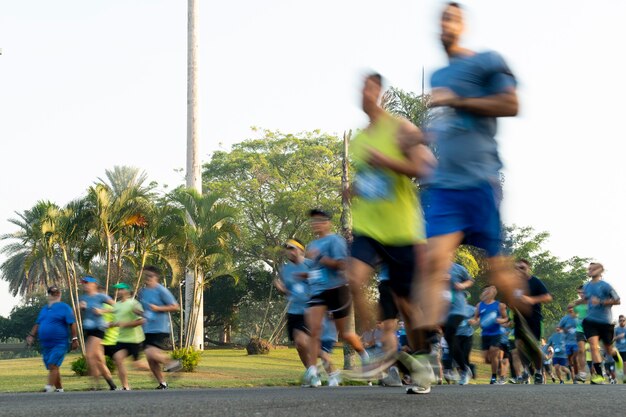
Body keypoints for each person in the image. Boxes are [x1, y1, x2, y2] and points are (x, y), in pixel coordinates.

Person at [418, 1, 528, 350]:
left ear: (463, 25)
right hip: (447, 187)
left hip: (481, 180)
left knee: (499, 275)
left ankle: (524, 320)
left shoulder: (487, 61)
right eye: (441, 18)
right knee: (431, 261)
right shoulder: (438, 76)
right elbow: (445, 128)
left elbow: (511, 105)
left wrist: (459, 101)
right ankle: (428, 349)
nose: (444, 24)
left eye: (452, 17)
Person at [345, 72, 435, 395]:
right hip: (370, 228)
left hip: (402, 231)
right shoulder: (358, 140)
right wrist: (355, 189)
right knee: (353, 278)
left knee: (407, 305)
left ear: (380, 92)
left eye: (369, 88)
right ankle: (380, 354)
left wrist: (387, 161)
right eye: (361, 88)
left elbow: (426, 168)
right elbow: (371, 181)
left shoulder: (400, 128)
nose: (364, 94)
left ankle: (422, 363)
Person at [302, 209, 367, 388]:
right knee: (313, 331)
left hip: (337, 289)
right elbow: (314, 270)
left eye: (319, 220)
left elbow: (341, 265)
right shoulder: (311, 244)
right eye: (313, 221)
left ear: (327, 223)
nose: (315, 224)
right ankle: (313, 371)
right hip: (318, 291)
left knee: (345, 334)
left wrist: (320, 257)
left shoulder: (335, 240)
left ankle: (365, 356)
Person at [26, 286, 79, 393]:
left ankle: (48, 388)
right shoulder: (44, 309)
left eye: (56, 293)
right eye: (52, 293)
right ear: (49, 295)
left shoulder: (65, 307)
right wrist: (31, 335)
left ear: (59, 295)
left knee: (53, 364)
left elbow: (72, 324)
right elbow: (38, 323)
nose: (55, 295)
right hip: (46, 345)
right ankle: (59, 389)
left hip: (60, 343)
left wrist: (74, 339)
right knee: (53, 367)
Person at [576, 262, 622, 385]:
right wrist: (577, 303)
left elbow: (617, 300)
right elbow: (587, 299)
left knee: (608, 349)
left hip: (605, 322)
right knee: (593, 346)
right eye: (589, 268)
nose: (590, 270)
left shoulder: (606, 286)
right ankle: (600, 376)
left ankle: (616, 356)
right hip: (590, 321)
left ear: (600, 270)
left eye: (593, 268)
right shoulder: (586, 286)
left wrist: (601, 301)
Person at [138, 265, 182, 390]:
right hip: (147, 328)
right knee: (151, 360)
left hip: (160, 328)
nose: (147, 278)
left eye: (150, 276)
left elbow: (175, 306)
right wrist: (139, 313)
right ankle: (162, 383)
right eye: (145, 276)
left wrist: (158, 308)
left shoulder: (161, 290)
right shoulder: (143, 292)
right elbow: (146, 310)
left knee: (150, 352)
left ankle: (174, 364)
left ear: (156, 277)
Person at [513, 259, 552, 384]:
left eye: (522, 268)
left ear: (528, 268)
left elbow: (548, 297)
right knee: (519, 345)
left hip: (534, 319)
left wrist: (531, 300)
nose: (519, 270)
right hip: (519, 319)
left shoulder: (535, 282)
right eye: (517, 268)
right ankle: (525, 370)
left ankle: (539, 372)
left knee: (535, 347)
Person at [274, 238, 311, 371]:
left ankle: (330, 373)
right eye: (287, 248)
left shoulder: (310, 265)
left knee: (305, 343)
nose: (288, 251)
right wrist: (281, 288)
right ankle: (312, 372)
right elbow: (289, 292)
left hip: (312, 310)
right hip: (294, 311)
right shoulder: (286, 269)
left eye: (292, 248)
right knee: (299, 345)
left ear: (301, 250)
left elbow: (323, 282)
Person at [79, 276, 117, 390]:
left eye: (86, 283)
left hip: (98, 329)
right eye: (83, 283)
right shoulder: (83, 297)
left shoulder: (101, 296)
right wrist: (81, 308)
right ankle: (112, 385)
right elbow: (75, 311)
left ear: (93, 284)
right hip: (89, 330)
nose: (84, 285)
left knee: (89, 355)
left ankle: (94, 386)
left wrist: (102, 310)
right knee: (99, 360)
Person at [110, 282, 146, 390]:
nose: (119, 291)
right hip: (122, 339)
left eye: (121, 289)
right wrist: (110, 325)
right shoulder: (117, 305)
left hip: (134, 339)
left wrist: (125, 324)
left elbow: (141, 321)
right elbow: (117, 322)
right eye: (118, 289)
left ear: (127, 291)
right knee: (118, 359)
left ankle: (159, 369)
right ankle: (125, 386)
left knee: (137, 365)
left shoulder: (133, 304)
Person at [469, 285, 508, 384]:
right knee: (486, 359)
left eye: (489, 291)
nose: (486, 293)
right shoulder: (479, 305)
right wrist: (474, 321)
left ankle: (494, 377)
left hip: (496, 333)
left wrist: (501, 320)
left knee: (493, 352)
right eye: (485, 291)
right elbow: (476, 318)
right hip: (485, 334)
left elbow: (506, 318)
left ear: (493, 294)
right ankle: (499, 366)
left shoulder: (500, 305)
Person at [443, 262, 474, 385]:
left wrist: (462, 285)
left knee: (450, 332)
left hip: (457, 308)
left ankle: (459, 369)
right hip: (441, 309)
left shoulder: (457, 268)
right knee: (448, 338)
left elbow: (470, 280)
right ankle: (464, 368)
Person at [571, 285, 588, 382]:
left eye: (582, 292)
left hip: (591, 329)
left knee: (594, 350)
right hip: (580, 329)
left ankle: (598, 372)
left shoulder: (591, 302)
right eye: (579, 293)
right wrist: (573, 308)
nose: (581, 294)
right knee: (581, 350)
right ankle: (582, 373)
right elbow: (573, 315)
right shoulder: (577, 304)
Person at [455, 304, 476, 383]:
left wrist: (474, 320)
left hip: (467, 335)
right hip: (455, 335)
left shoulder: (471, 308)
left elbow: (478, 317)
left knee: (465, 355)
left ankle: (464, 375)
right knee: (457, 356)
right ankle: (468, 369)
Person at [558, 305, 580, 381]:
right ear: (568, 310)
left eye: (572, 308)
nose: (571, 309)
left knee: (575, 358)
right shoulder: (565, 319)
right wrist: (565, 329)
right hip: (567, 342)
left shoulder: (578, 318)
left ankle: (577, 376)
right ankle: (572, 374)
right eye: (569, 308)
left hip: (577, 342)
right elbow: (558, 328)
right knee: (569, 360)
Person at [615, 315, 626, 383]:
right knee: (619, 364)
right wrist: (618, 337)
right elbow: (612, 339)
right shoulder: (616, 329)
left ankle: (625, 377)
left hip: (625, 349)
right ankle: (618, 377)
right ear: (618, 321)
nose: (622, 322)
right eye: (620, 321)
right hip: (618, 349)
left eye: (623, 320)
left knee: (625, 363)